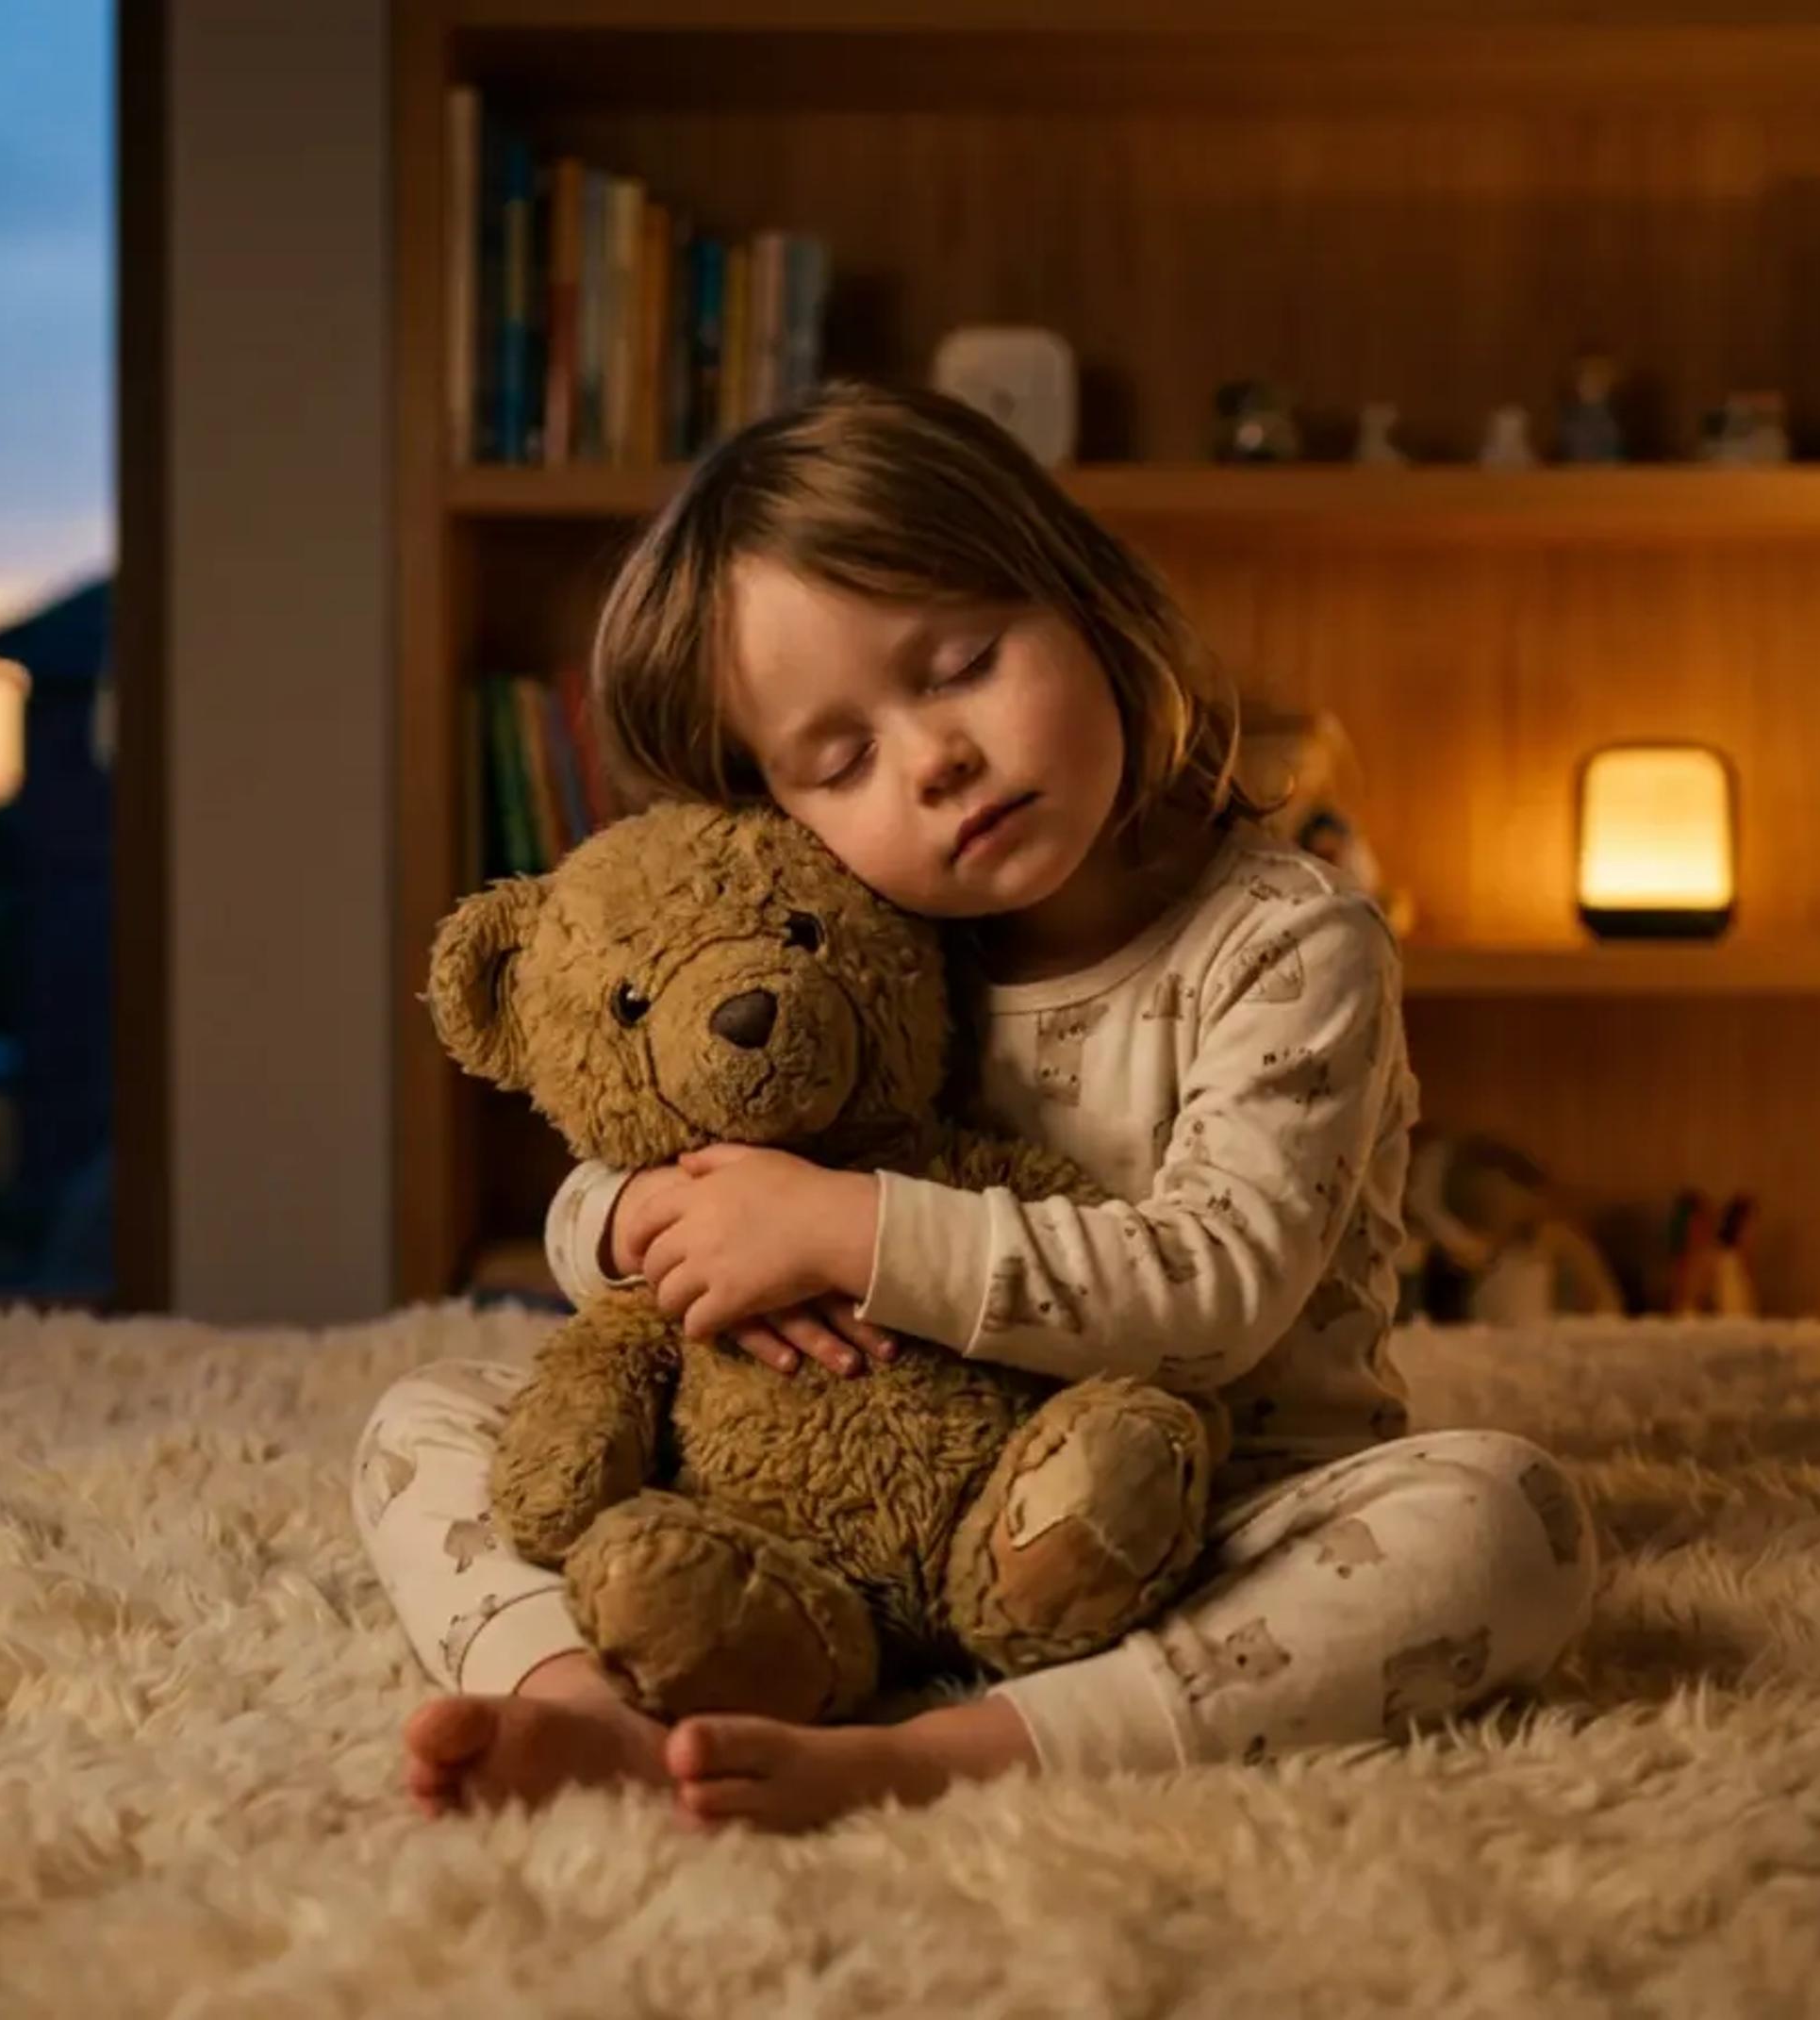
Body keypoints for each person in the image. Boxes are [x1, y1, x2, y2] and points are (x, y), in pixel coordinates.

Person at [356, 380, 1598, 1832]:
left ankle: (949, 1754)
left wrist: (841, 1227)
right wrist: (636, 1216)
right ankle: (581, 1698)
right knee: (426, 1416)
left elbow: (1218, 1290)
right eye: (841, 759)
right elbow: (626, 1177)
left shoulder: (1287, 942)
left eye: (960, 663)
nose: (934, 758)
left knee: (1506, 1521)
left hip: (1193, 1528)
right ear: (776, 818)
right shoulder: (848, 953)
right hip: (819, 1527)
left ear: (1083, 598)